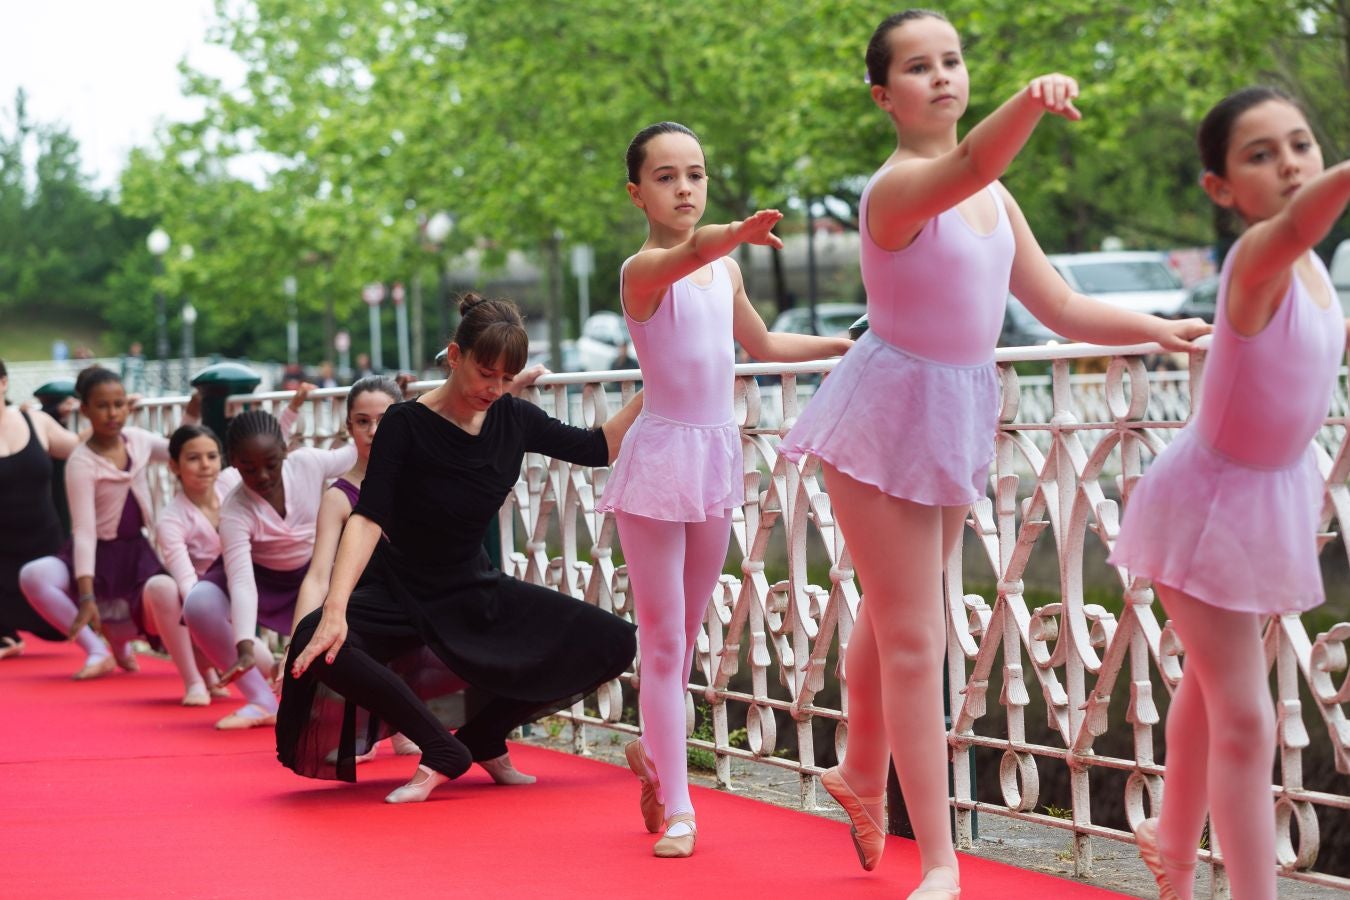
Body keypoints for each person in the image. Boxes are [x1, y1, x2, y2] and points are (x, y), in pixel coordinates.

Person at [776, 12, 1209, 898]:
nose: (942, 76)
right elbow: (973, 160)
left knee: (899, 612)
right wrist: (1033, 100)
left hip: (951, 408)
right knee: (912, 634)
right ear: (883, 96)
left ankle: (859, 772)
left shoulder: (993, 199)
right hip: (885, 411)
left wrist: (1162, 329)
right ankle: (937, 859)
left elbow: (1061, 308)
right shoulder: (897, 190)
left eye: (952, 61)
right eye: (919, 67)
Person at [1109, 86, 1350, 900]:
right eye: (1260, 154)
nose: (1288, 163)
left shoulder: (1315, 267)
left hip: (1267, 500)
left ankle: (1170, 849)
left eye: (1300, 145)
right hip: (1205, 507)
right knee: (1245, 715)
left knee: (1215, 695)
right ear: (1221, 188)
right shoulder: (1260, 258)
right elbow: (1300, 221)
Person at [596, 122, 852, 859]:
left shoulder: (726, 271)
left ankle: (653, 754)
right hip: (659, 459)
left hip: (715, 457)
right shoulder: (640, 271)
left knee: (691, 632)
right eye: (668, 177)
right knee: (666, 639)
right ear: (637, 192)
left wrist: (848, 345)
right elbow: (695, 251)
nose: (684, 188)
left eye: (696, 174)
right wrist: (729, 233)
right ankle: (681, 807)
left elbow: (766, 347)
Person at [282, 293, 642, 803]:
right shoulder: (404, 424)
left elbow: (598, 447)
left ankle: (477, 739)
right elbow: (368, 518)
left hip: (472, 587)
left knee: (615, 642)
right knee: (313, 642)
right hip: (401, 588)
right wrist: (335, 609)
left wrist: (658, 379)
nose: (493, 388)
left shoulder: (513, 418)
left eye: (505, 377)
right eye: (484, 373)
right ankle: (440, 748)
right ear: (455, 356)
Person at [18, 367, 208, 702]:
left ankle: (192, 676)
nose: (113, 413)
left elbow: (180, 448)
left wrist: (193, 409)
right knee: (34, 576)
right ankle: (97, 649)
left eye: (119, 404)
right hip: (94, 553)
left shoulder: (138, 440)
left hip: (136, 553)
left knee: (161, 596)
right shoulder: (81, 461)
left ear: (127, 406)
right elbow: (85, 531)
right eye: (103, 406)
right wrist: (87, 595)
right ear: (85, 409)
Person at [181, 401, 356, 729]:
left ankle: (335, 703)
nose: (261, 476)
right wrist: (244, 646)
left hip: (311, 573)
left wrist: (392, 409)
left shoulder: (307, 462)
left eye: (271, 464)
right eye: (248, 468)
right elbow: (243, 583)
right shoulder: (234, 510)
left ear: (286, 450)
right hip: (259, 578)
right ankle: (261, 700)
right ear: (233, 464)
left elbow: (352, 454)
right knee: (199, 604)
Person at [156, 392, 307, 713]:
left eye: (211, 457)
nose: (205, 466)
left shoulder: (233, 482)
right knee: (174, 593)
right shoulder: (171, 518)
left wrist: (292, 409)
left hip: (242, 596)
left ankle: (265, 681)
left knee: (247, 626)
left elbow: (265, 446)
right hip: (201, 612)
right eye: (193, 458)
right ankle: (196, 680)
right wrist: (206, 618)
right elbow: (187, 581)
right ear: (175, 466)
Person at [0, 359, 82, 658]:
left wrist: (111, 415)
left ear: (4, 383)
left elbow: (81, 448)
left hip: (44, 547)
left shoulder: (35, 421)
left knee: (63, 631)